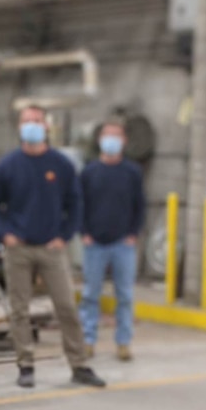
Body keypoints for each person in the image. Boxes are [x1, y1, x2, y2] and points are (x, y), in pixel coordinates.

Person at [0, 105, 105, 389]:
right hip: (19, 249)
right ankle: (25, 365)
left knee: (66, 307)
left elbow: (75, 203)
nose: (33, 126)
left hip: (52, 248)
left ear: (46, 126)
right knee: (20, 310)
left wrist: (64, 236)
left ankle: (79, 365)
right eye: (28, 121)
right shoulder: (7, 166)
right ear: (19, 127)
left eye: (37, 121)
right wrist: (5, 234)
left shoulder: (61, 165)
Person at [79, 119, 146, 361]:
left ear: (124, 141)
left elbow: (140, 206)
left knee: (125, 295)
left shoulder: (132, 173)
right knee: (90, 294)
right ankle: (87, 339)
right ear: (100, 140)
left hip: (123, 245)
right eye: (108, 135)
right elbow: (80, 204)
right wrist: (84, 232)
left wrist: (132, 234)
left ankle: (123, 342)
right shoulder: (89, 172)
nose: (112, 140)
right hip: (94, 243)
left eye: (116, 135)